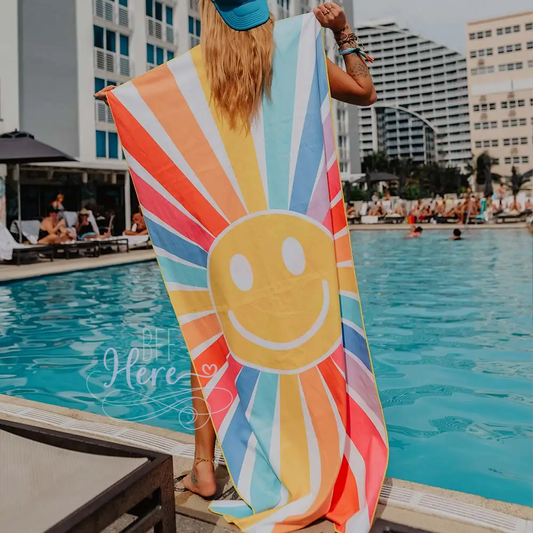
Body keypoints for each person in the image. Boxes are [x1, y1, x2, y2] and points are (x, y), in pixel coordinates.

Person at [96, 0, 377, 500]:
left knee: (211, 343)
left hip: (228, 243)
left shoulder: (198, 71)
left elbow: (149, 108)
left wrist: (121, 99)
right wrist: (344, 34)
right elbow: (363, 92)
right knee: (303, 341)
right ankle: (312, 454)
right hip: (292, 234)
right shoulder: (293, 50)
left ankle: (204, 466)